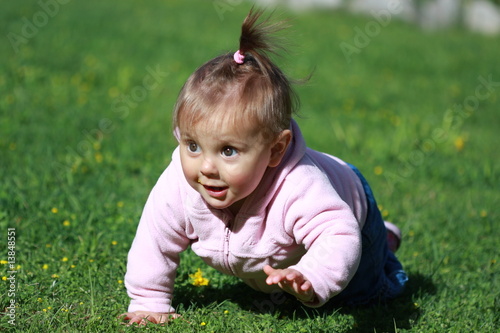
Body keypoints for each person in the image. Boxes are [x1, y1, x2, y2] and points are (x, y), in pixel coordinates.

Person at [121, 8, 408, 325]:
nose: (206, 167)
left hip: (354, 210)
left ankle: (382, 243)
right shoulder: (179, 183)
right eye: (192, 145)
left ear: (276, 149)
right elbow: (154, 240)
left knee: (360, 295)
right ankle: (385, 236)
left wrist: (310, 275)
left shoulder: (299, 186)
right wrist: (149, 301)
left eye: (228, 150)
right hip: (298, 238)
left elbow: (339, 234)